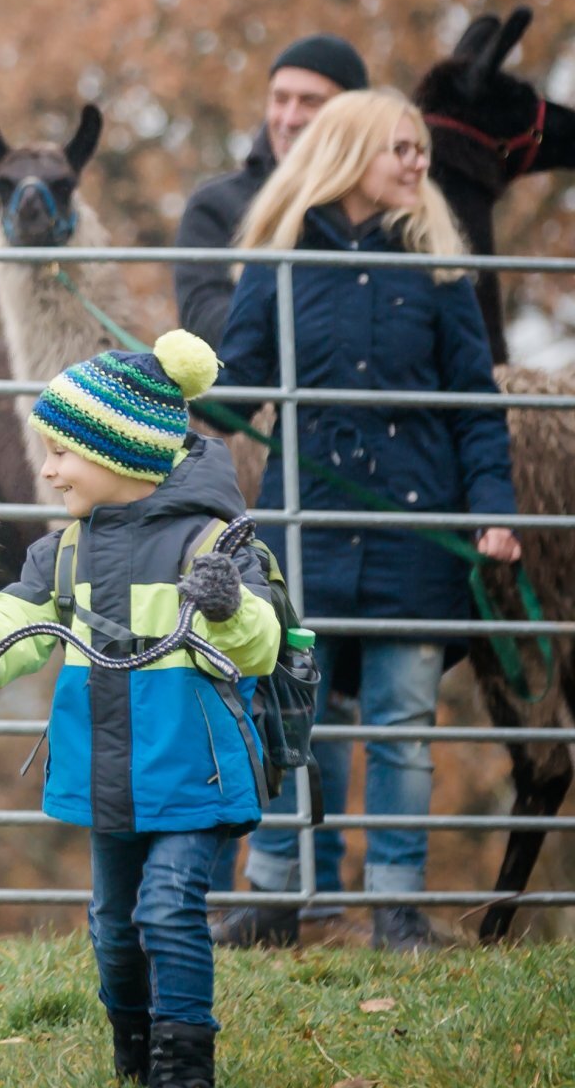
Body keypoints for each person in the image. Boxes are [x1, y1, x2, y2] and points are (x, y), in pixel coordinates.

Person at [0, 331, 280, 1088]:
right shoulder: (65, 555)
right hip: (111, 774)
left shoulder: (212, 545)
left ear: (125, 455)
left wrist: (229, 609)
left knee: (167, 909)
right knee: (112, 927)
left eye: (64, 451)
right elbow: (4, 627)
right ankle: (134, 1055)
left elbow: (261, 643)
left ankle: (183, 1070)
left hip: (191, 771)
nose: (49, 468)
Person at [212, 88, 521, 953]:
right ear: (352, 153)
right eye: (403, 149)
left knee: (400, 726)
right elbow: (238, 383)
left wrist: (492, 509)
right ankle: (274, 900)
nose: (419, 164)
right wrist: (181, 379)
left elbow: (473, 401)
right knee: (285, 715)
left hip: (413, 532)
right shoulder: (281, 262)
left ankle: (396, 907)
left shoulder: (439, 272)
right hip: (304, 532)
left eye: (419, 151)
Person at [174, 34, 369, 348]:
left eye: (310, 102)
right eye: (280, 99)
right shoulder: (214, 206)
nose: (289, 119)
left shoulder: (385, 207)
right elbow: (203, 321)